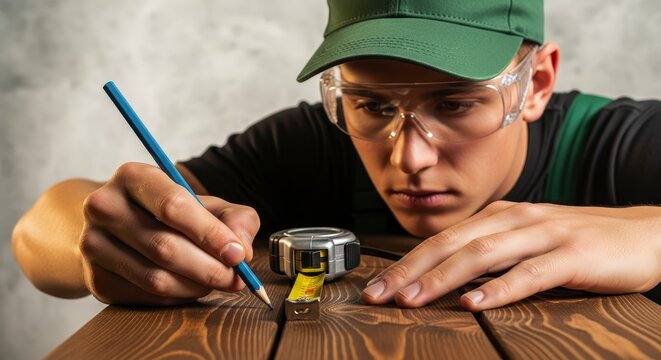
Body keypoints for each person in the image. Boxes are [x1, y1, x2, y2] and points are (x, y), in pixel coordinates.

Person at [12, 0, 660, 310]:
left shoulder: (620, 147)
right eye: (373, 105)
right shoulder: (310, 146)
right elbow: (38, 233)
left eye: (456, 104)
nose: (408, 157)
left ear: (536, 84)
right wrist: (95, 234)